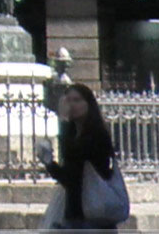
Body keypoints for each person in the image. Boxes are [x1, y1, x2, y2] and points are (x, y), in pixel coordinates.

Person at [38, 83, 119, 231]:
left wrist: (63, 122)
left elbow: (71, 174)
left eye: (77, 100)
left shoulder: (96, 135)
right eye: (68, 101)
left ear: (88, 104)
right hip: (76, 211)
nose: (72, 105)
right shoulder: (74, 133)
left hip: (91, 213)